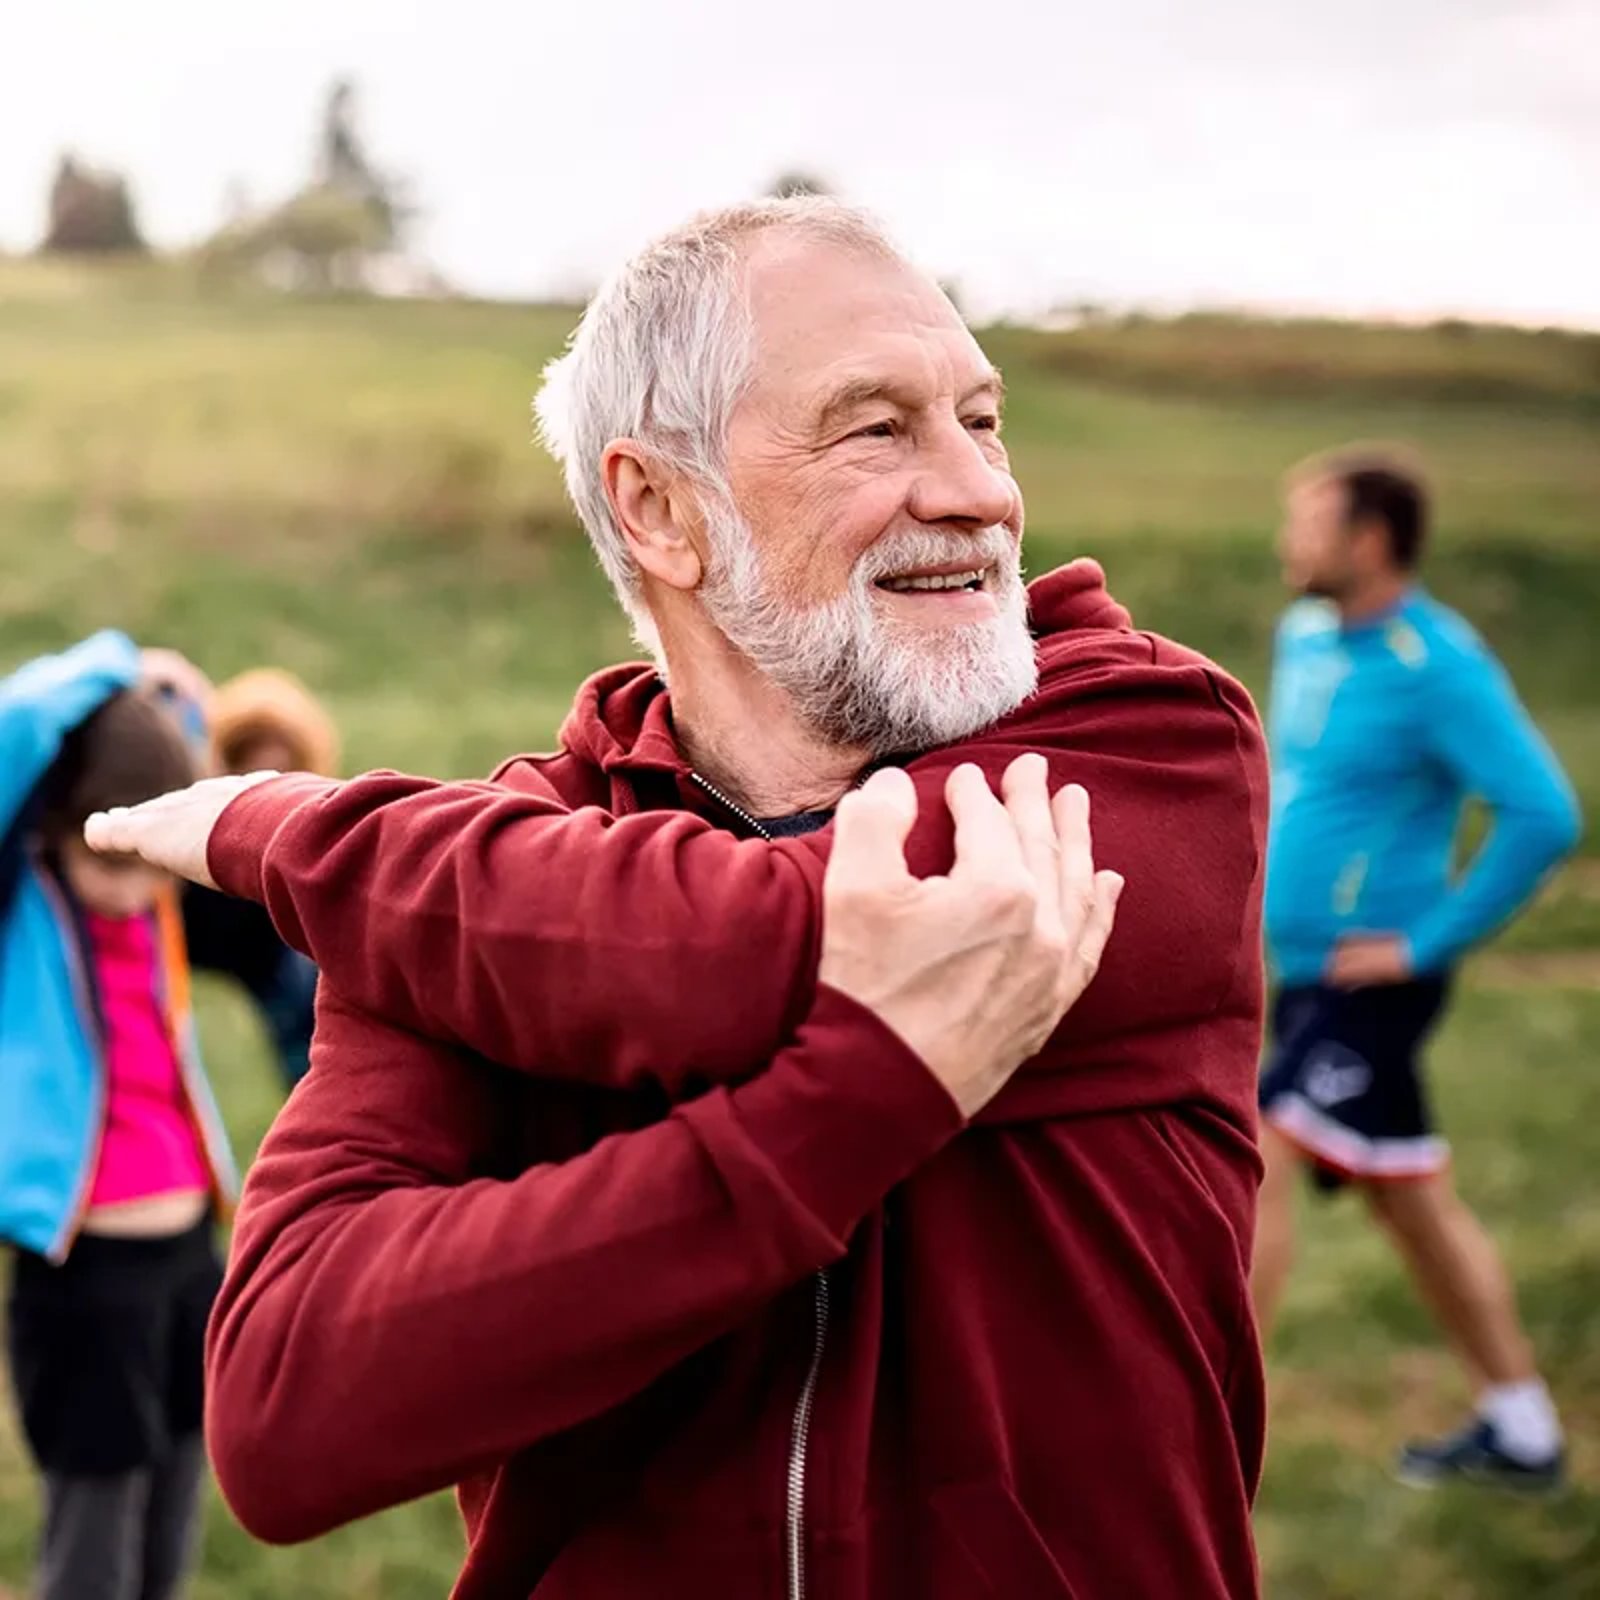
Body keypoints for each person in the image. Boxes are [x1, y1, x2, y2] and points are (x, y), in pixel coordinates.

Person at [90, 198, 1269, 1599]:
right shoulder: (482, 880)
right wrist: (856, 1098)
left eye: (984, 419)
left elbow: (758, 946)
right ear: (659, 509)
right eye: (878, 428)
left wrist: (287, 833)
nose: (980, 491)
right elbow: (287, 1413)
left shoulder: (1149, 741)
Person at [1252, 447, 1581, 1488]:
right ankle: (1523, 1424)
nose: (1286, 542)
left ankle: (1205, 1424)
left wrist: (1422, 942)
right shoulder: (1305, 637)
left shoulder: (1435, 664)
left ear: (1369, 541)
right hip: (1301, 971)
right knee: (1411, 1200)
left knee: (1255, 1150)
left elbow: (1542, 813)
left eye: (1308, 523)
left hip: (1373, 983)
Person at [0, 632, 239, 1600]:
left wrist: (179, 702)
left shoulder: (148, 899)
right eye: (121, 861)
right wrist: (121, 660)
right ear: (62, 822)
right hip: (86, 1272)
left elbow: (181, 760)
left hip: (189, 1251)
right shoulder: (20, 895)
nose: (146, 890)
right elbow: (17, 725)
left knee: (174, 1510)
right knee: (95, 1537)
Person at [181, 668, 338, 1090]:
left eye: (281, 776)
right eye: (247, 772)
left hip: (262, 945)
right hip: (190, 923)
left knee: (310, 1028)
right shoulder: (186, 821)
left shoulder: (308, 839)